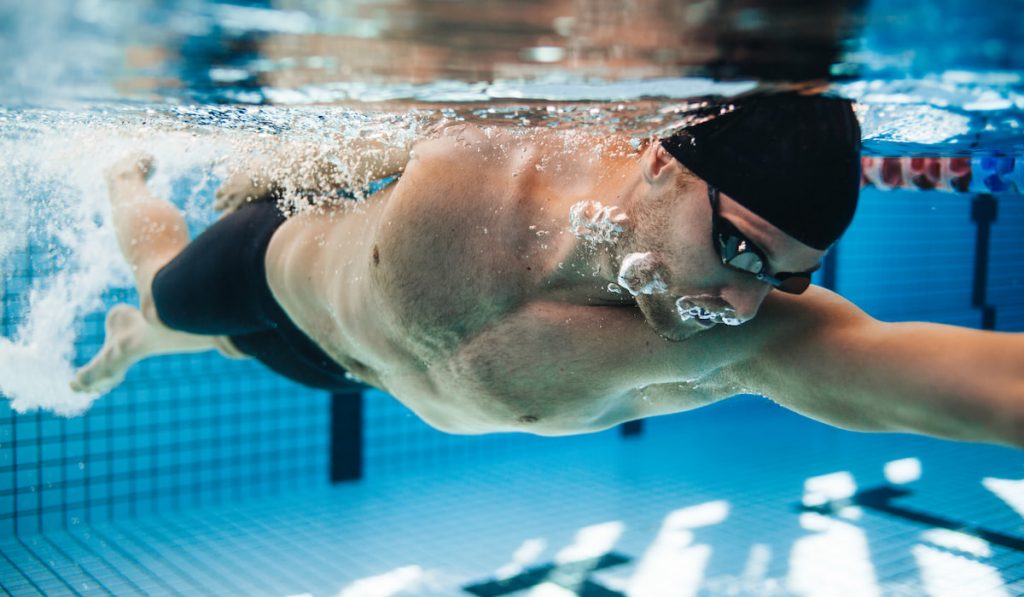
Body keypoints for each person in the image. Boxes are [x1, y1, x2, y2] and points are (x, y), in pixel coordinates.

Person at [71, 93, 1024, 448]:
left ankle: (147, 340)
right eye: (736, 245)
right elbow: (339, 141)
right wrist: (262, 178)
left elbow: (956, 385)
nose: (738, 302)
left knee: (238, 349)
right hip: (276, 271)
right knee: (165, 286)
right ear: (661, 161)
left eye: (783, 276)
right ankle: (125, 180)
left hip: (342, 366)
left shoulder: (725, 344)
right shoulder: (484, 154)